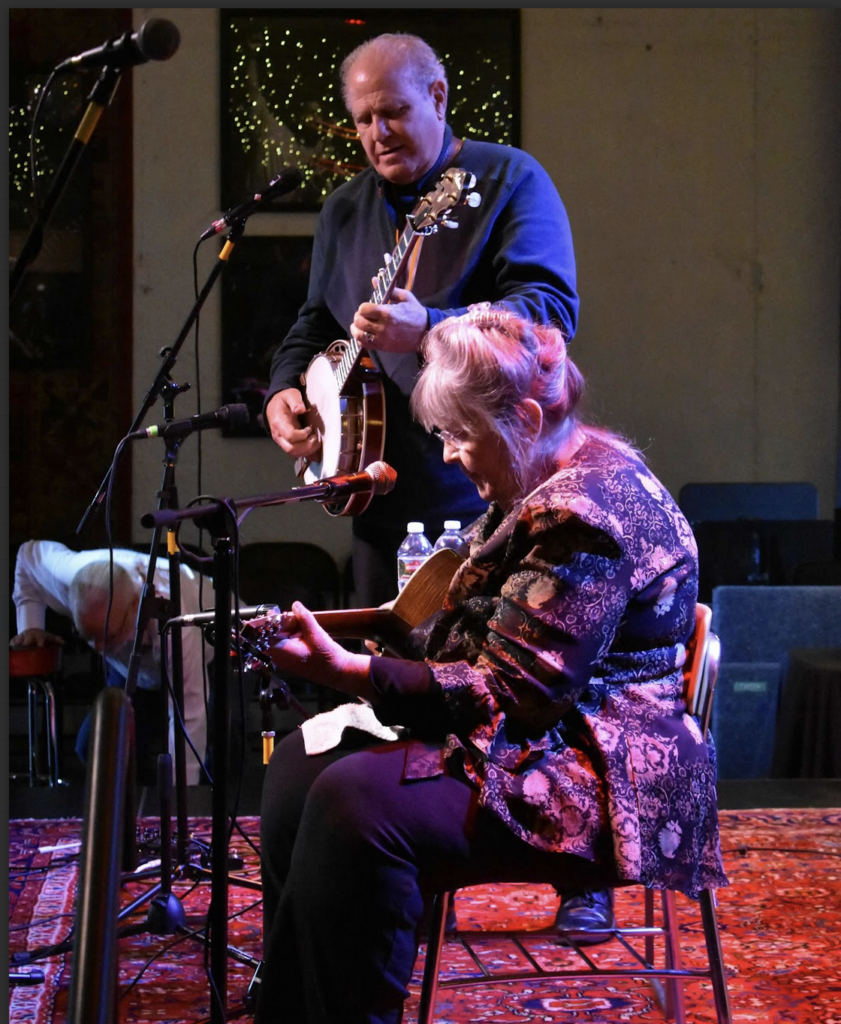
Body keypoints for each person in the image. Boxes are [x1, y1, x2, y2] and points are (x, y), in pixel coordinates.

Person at [254, 309, 728, 1024]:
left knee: (356, 805)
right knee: (298, 766)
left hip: (611, 768)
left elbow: (508, 695)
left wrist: (348, 672)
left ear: (528, 417)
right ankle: (298, 1001)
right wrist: (344, 646)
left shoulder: (583, 519)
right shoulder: (554, 469)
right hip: (555, 727)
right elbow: (488, 644)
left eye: (458, 435)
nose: (447, 454)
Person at [264, 32, 579, 610]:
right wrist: (281, 390)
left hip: (489, 498)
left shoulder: (512, 179)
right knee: (388, 677)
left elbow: (550, 313)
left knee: (479, 677)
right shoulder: (344, 208)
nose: (377, 133)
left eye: (393, 112)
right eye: (362, 120)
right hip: (378, 498)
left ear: (438, 97)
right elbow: (315, 324)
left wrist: (433, 326)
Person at [11, 540, 211, 785]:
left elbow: (188, 716)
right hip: (135, 671)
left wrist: (181, 799)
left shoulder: (172, 614)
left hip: (213, 656)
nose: (99, 648)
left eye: (109, 636)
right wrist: (31, 624)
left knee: (214, 758)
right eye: (89, 636)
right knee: (96, 752)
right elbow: (26, 556)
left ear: (136, 606)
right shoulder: (66, 573)